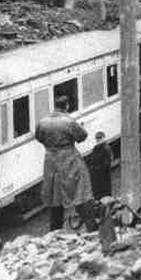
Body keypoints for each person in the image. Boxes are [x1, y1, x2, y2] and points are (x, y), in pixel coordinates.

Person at [35, 96, 96, 232]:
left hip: (51, 162)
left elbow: (39, 137)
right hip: (69, 160)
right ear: (66, 106)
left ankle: (54, 232)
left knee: (55, 199)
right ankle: (92, 228)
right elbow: (82, 136)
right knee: (81, 193)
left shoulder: (42, 122)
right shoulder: (69, 121)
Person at [90, 131, 112, 200]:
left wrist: (98, 169)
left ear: (103, 138)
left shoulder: (106, 148)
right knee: (97, 193)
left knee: (105, 192)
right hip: (95, 175)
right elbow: (92, 160)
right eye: (97, 138)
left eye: (100, 137)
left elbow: (107, 163)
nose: (98, 139)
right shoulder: (95, 148)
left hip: (103, 175)